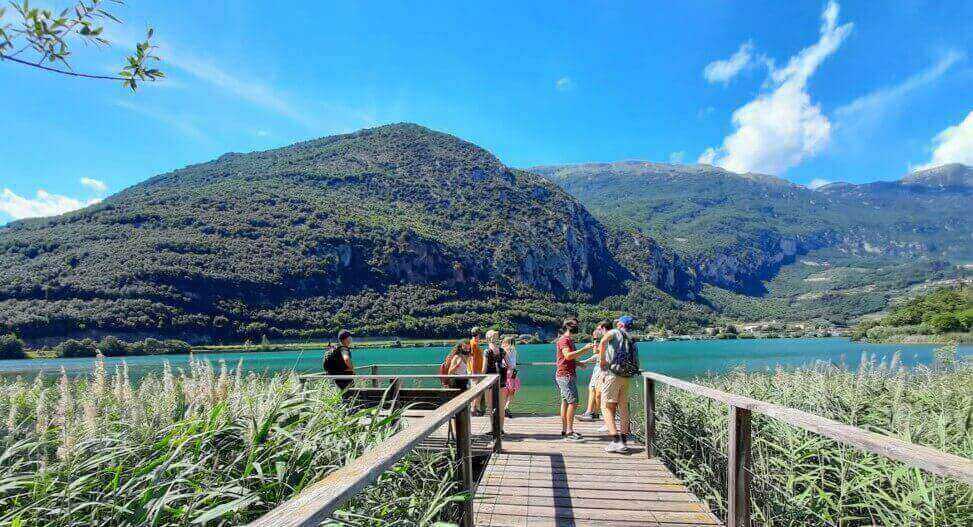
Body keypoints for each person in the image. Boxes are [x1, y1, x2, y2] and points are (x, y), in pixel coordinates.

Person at [598, 315, 640, 453]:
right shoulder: (632, 338)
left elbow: (603, 341)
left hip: (613, 374)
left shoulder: (615, 332)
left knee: (606, 406)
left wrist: (602, 362)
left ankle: (616, 441)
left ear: (620, 324)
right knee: (623, 408)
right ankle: (624, 440)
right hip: (626, 376)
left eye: (617, 323)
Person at [555, 318, 595, 441]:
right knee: (573, 402)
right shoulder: (564, 340)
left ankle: (565, 429)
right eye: (575, 325)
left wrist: (578, 363)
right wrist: (585, 349)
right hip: (565, 376)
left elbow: (567, 358)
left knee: (566, 402)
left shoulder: (569, 340)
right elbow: (567, 356)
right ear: (568, 326)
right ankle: (569, 432)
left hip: (567, 374)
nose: (577, 326)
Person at [579, 320, 612, 421]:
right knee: (595, 389)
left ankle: (591, 412)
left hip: (601, 368)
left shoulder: (607, 339)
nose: (597, 331)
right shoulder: (610, 338)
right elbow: (597, 353)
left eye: (598, 329)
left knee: (594, 389)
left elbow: (596, 352)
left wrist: (595, 338)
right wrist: (586, 361)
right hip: (601, 367)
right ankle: (594, 412)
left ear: (603, 328)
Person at [483, 330, 508, 435]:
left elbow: (484, 369)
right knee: (501, 406)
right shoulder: (502, 351)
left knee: (490, 406)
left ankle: (493, 428)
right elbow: (509, 365)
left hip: (489, 381)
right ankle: (501, 428)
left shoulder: (487, 352)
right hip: (501, 381)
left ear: (488, 339)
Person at [501, 336, 520, 418]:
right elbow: (513, 362)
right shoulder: (514, 350)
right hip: (512, 372)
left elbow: (503, 362)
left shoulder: (503, 350)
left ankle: (503, 408)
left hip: (505, 372)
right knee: (512, 391)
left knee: (505, 391)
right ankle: (506, 407)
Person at [468, 327, 486, 415]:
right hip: (476, 371)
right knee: (478, 390)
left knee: (478, 389)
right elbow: (472, 359)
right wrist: (473, 372)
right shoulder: (473, 344)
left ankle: (475, 408)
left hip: (478, 370)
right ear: (478, 334)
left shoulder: (474, 343)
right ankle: (474, 408)